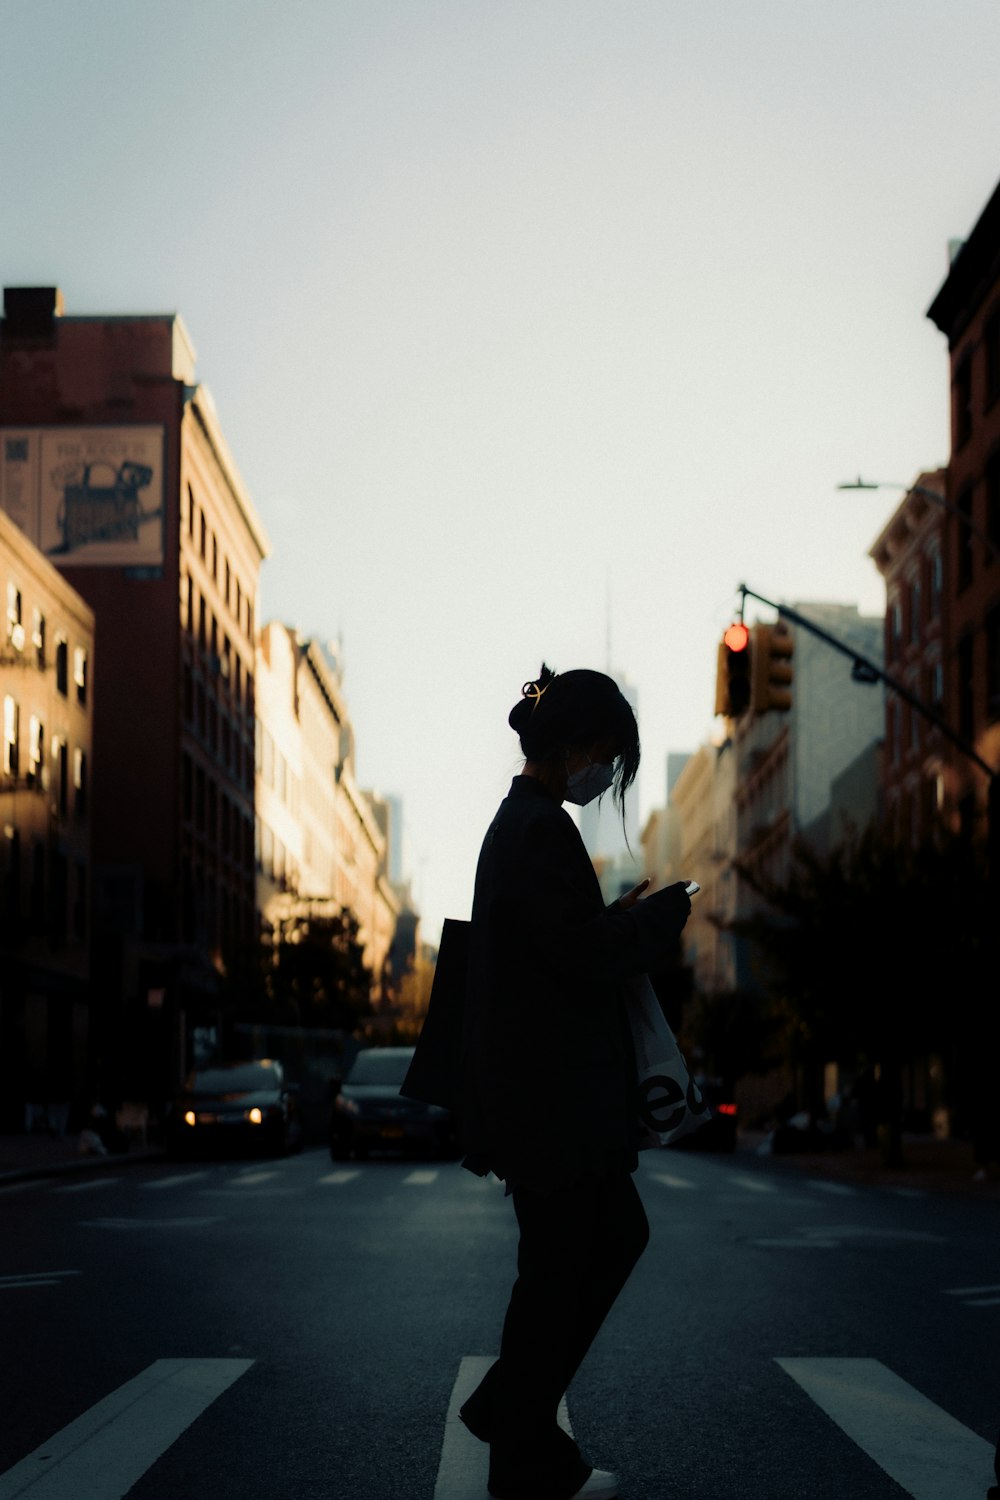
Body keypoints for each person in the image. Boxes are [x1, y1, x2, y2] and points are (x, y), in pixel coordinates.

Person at [456, 664, 693, 1500]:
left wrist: (620, 918)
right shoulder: (537, 830)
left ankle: (521, 1432)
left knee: (565, 1264)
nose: (608, 782)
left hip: (543, 1103)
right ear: (584, 746)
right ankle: (518, 1428)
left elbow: (565, 943)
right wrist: (656, 919)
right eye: (611, 762)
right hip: (553, 1105)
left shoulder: (524, 825)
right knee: (582, 1256)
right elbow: (585, 958)